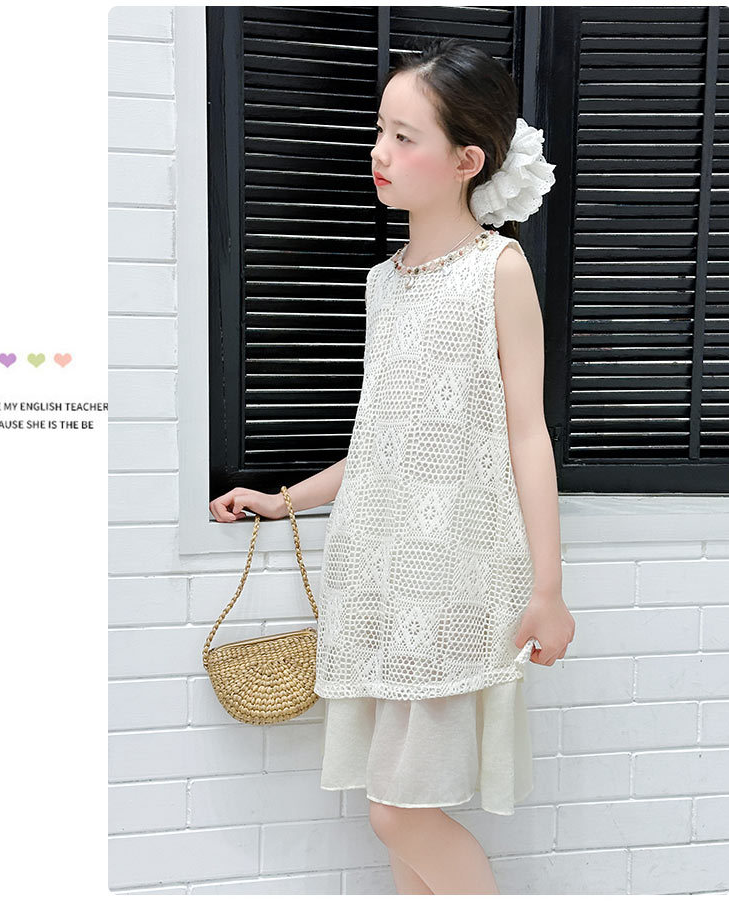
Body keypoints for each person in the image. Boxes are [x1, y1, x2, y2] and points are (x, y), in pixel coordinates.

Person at [209, 37, 575, 895]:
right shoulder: (385, 282)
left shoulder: (498, 269)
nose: (380, 151)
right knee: (396, 818)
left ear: (466, 161)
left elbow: (528, 433)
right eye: (381, 130)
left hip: (454, 578)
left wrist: (549, 590)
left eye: (405, 137)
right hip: (378, 576)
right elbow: (386, 436)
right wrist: (284, 499)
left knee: (399, 811)